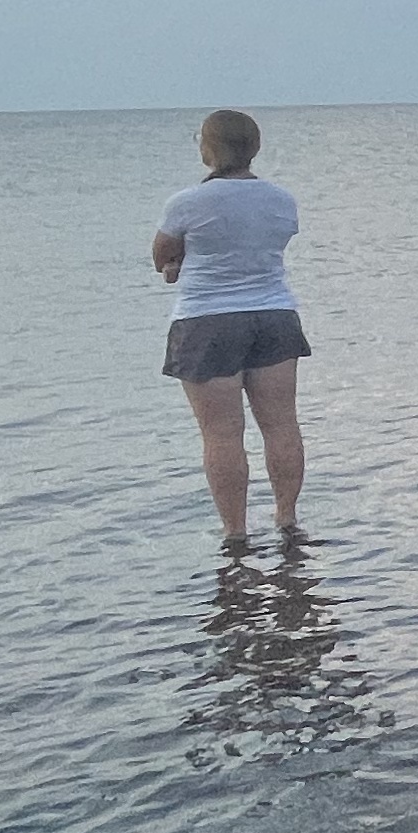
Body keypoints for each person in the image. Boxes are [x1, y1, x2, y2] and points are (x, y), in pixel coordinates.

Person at [152, 108, 311, 546]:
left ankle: (235, 532)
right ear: (254, 148)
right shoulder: (282, 200)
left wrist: (179, 263)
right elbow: (264, 243)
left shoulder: (186, 202)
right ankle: (287, 519)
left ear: (208, 149)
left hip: (207, 321)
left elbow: (162, 256)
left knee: (222, 434)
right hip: (274, 315)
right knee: (282, 426)